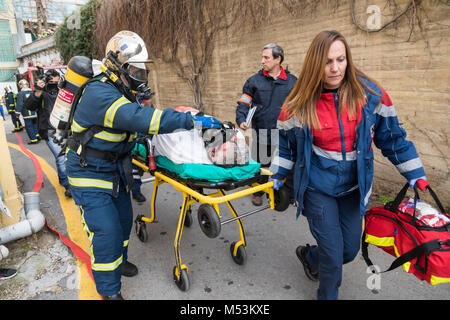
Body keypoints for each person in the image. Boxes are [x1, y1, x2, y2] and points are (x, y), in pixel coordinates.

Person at [269, 30, 428, 300]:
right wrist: (278, 174)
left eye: (340, 60)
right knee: (333, 255)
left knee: (348, 250)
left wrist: (415, 173)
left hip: (354, 188)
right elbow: (286, 146)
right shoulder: (298, 104)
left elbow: (393, 138)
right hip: (317, 188)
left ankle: (310, 256)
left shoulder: (371, 96)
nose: (335, 68)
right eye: (327, 62)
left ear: (348, 59)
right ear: (315, 64)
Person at [65, 30, 220, 300]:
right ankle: (109, 291)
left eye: (142, 71)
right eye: (136, 70)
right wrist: (192, 120)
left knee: (123, 224)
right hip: (88, 172)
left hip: (114, 170)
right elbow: (141, 119)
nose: (141, 77)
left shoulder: (120, 90)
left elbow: (134, 128)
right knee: (106, 231)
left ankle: (119, 261)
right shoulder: (99, 93)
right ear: (119, 67)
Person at [235, 43, 297, 206]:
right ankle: (258, 190)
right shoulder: (254, 81)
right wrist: (241, 118)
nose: (262, 61)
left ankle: (286, 193)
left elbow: (299, 105)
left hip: (285, 131)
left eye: (266, 57)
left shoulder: (292, 82)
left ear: (278, 59)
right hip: (262, 128)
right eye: (262, 57)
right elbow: (244, 102)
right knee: (262, 161)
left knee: (288, 162)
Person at [24, 69, 71, 197]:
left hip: (65, 128)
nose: (53, 84)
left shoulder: (64, 90)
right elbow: (28, 106)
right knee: (61, 157)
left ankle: (63, 179)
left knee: (64, 156)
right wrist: (38, 90)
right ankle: (68, 184)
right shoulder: (41, 92)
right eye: (51, 82)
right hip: (50, 130)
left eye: (56, 81)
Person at [16, 79, 40, 144]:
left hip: (27, 114)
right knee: (35, 125)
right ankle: (37, 136)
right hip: (34, 112)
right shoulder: (32, 92)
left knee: (29, 127)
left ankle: (33, 140)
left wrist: (17, 113)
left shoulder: (21, 94)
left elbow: (20, 104)